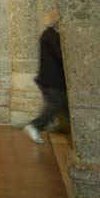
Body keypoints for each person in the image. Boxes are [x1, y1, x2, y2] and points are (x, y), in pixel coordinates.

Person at [24, 10, 68, 144]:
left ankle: (63, 127)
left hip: (48, 78)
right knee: (56, 103)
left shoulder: (47, 34)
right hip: (53, 78)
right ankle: (35, 125)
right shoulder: (52, 35)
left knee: (59, 104)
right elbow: (61, 55)